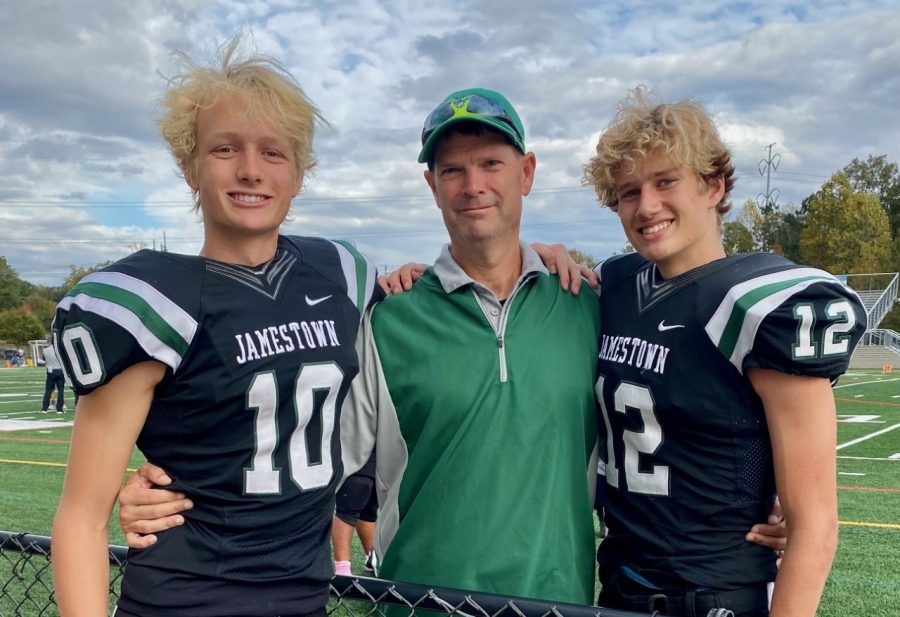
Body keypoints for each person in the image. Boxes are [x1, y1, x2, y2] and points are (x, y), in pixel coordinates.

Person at [115, 88, 787, 606]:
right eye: (453, 169)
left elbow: (696, 382)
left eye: (492, 163)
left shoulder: (589, 299)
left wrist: (767, 494)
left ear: (525, 172)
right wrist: (167, 490)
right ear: (431, 184)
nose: (474, 185)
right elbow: (298, 450)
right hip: (422, 602)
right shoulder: (385, 315)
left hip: (562, 604)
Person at [50, 34, 382, 617]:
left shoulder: (344, 272)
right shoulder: (152, 299)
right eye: (225, 149)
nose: (251, 170)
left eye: (273, 152)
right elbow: (81, 514)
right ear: (190, 167)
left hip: (303, 597)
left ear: (300, 172)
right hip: (184, 599)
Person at [577, 88, 867, 617]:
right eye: (627, 191)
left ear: (715, 185)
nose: (646, 206)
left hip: (712, 598)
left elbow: (816, 524)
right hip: (619, 584)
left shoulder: (759, 303)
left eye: (666, 181)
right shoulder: (615, 286)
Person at [332, 453, 378, 576]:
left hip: (383, 446)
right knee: (350, 504)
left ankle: (372, 557)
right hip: (356, 448)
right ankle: (341, 568)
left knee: (369, 506)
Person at [40, 336, 65, 413]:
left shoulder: (45, 350)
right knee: (61, 390)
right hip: (60, 371)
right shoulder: (60, 349)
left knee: (48, 390)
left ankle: (44, 408)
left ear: (49, 342)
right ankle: (59, 409)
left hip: (51, 371)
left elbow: (42, 361)